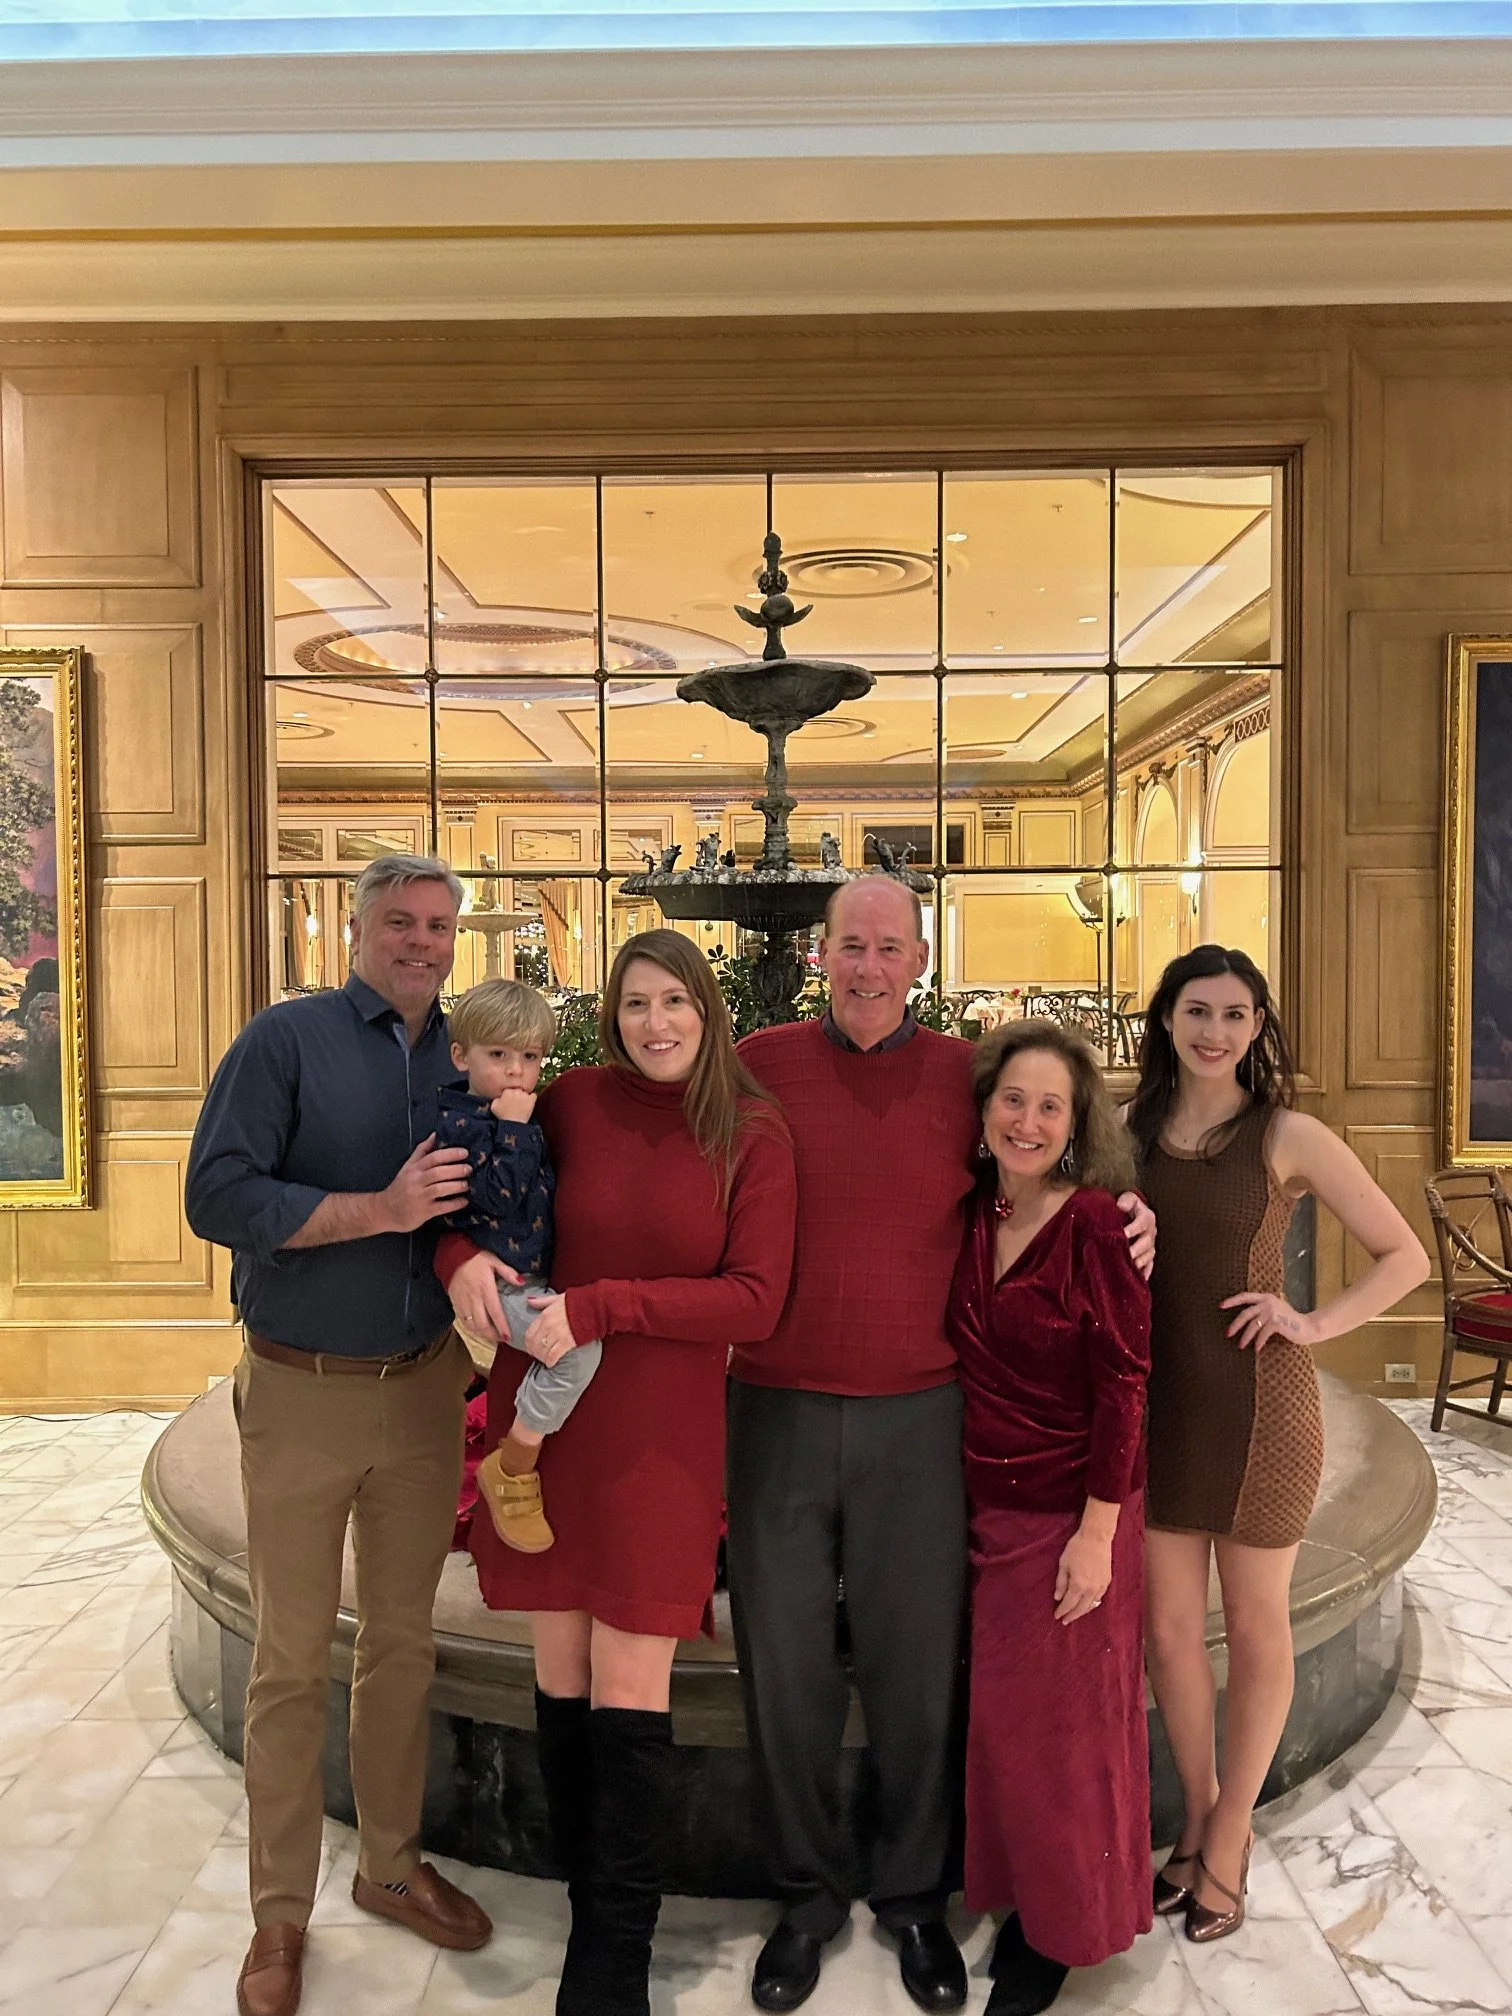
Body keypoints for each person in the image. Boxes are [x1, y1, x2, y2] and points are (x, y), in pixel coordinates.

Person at [724, 874, 1157, 2016]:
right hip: (772, 1408)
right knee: (786, 1673)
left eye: (889, 947)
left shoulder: (963, 1079)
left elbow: (1046, 1171)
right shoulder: (759, 1062)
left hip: (924, 1418)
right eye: (849, 947)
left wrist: (1132, 1209)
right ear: (821, 956)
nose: (868, 967)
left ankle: (915, 1896)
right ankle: (807, 1897)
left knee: (921, 1675)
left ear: (920, 958)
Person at [439, 929, 798, 2016]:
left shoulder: (751, 1131)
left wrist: (600, 1306)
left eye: (675, 1001)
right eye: (636, 1003)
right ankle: (587, 1896)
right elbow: (476, 1204)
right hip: (543, 1437)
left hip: (659, 1437)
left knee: (633, 1686)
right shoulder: (572, 1101)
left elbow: (756, 1300)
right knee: (560, 1674)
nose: (656, 1023)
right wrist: (457, 1266)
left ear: (707, 1010)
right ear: (611, 1013)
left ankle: (614, 1960)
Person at [184, 854, 494, 2016]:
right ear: (358, 930)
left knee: (402, 1644)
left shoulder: (466, 1056)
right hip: (302, 1390)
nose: (422, 941)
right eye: (401, 922)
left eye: (440, 925)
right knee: (288, 1660)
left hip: (425, 1390)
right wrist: (381, 1211)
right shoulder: (286, 1041)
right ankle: (277, 1920)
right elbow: (216, 1197)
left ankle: (389, 1865)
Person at [1128, 944, 1430, 1942]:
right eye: (1197, 1011)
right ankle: (1203, 1812)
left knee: (1256, 1631)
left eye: (1235, 1014)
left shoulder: (1286, 1132)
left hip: (1260, 1409)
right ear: (1167, 1019)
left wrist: (1311, 1321)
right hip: (1157, 1410)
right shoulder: (1127, 1129)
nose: (1215, 1031)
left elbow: (1405, 1254)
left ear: (1256, 1028)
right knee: (1170, 1633)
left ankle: (1228, 1838)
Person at [947, 1021, 1152, 2016]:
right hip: (987, 1508)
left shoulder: (1100, 1224)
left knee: (1068, 1737)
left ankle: (1061, 1928)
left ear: (1076, 1127)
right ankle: (1023, 1893)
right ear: (984, 1110)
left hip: (1075, 1514)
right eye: (1012, 1100)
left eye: (1050, 1106)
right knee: (1011, 1732)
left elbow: (1126, 1384)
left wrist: (1100, 1533)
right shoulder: (969, 1214)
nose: (1026, 1121)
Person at [435, 976, 602, 1554]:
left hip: (529, 1275)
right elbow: (494, 1200)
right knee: (578, 1351)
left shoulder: (518, 1112)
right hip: (500, 1282)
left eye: (529, 1057)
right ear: (461, 1056)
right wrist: (511, 1128)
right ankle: (512, 1465)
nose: (515, 1071)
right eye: (498, 1055)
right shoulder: (461, 1124)